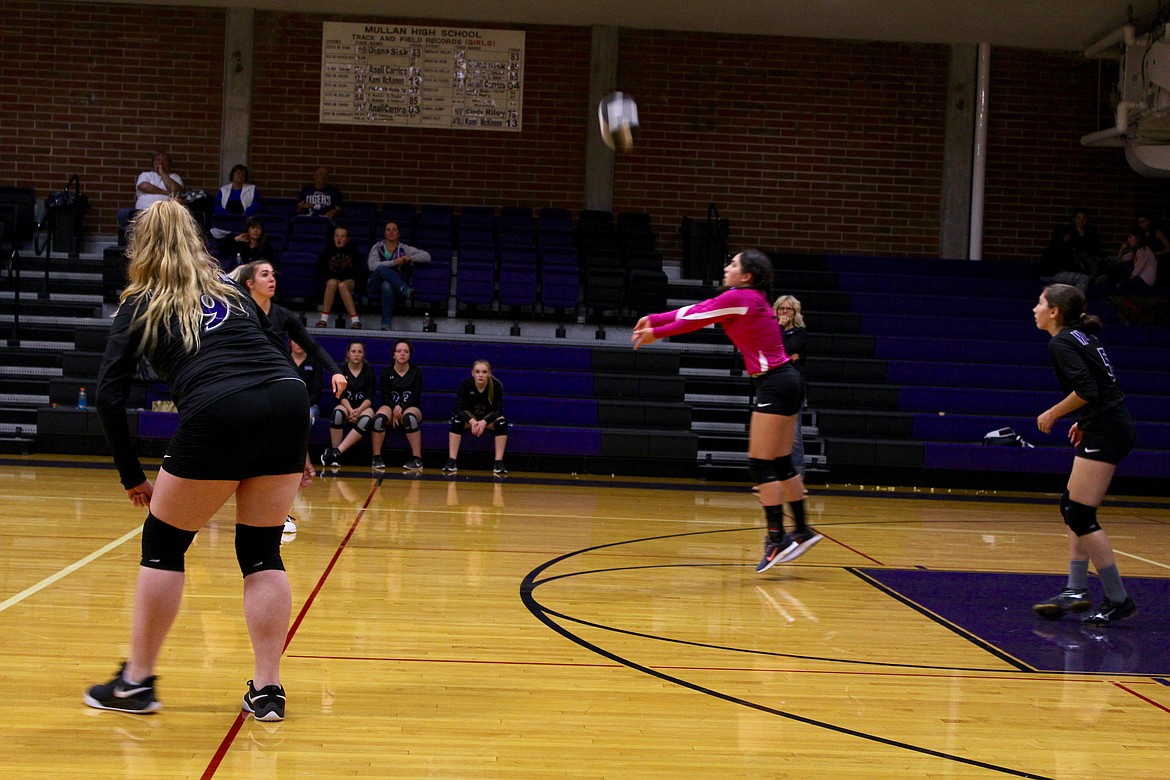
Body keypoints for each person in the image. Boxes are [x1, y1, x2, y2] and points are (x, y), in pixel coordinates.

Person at [85, 199, 304, 721]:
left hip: (222, 408)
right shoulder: (232, 288)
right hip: (289, 400)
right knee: (261, 550)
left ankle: (136, 682)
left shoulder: (140, 302)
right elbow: (268, 351)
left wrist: (131, 476)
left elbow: (107, 397)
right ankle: (268, 690)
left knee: (163, 544)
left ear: (140, 246)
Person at [632, 249, 820, 573]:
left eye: (732, 264)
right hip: (786, 382)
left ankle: (778, 539)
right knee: (780, 460)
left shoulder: (742, 297)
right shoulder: (753, 298)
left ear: (746, 275)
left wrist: (657, 330)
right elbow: (701, 310)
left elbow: (696, 316)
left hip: (775, 383)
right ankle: (801, 529)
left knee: (760, 464)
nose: (726, 267)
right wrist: (656, 320)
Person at [1031, 283, 1137, 627]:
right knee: (1070, 506)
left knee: (1080, 513)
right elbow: (1105, 388)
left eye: (1040, 303)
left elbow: (1088, 389)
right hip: (1105, 424)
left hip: (1108, 430)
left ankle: (1118, 598)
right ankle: (1075, 589)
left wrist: (1054, 413)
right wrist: (1085, 420)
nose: (1035, 309)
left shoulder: (1061, 341)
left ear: (1055, 311)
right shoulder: (1080, 337)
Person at [232, 260, 348, 530]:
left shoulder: (282, 315)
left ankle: (277, 508)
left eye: (274, 274)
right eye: (264, 275)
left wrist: (335, 370)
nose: (272, 279)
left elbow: (312, 345)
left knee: (276, 446)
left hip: (273, 385)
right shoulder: (236, 312)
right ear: (250, 283)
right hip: (241, 385)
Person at [443, 359, 508, 476]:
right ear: (472, 373)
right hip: (471, 416)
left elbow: (498, 411)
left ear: (489, 373)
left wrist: (484, 422)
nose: (481, 375)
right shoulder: (466, 384)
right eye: (477, 372)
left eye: (484, 372)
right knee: (456, 421)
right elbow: (459, 408)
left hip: (488, 418)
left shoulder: (496, 386)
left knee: (502, 423)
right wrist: (472, 421)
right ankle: (452, 461)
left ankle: (498, 462)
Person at [320, 340, 377, 467]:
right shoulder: (341, 370)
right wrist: (351, 410)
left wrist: (359, 410)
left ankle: (337, 452)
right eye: (353, 351)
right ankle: (335, 454)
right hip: (347, 405)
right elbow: (341, 395)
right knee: (337, 414)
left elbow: (370, 396)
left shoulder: (369, 371)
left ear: (363, 354)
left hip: (364, 407)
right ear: (348, 354)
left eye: (359, 352)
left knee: (367, 419)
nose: (356, 354)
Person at [371, 339, 425, 471]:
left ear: (410, 355)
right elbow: (386, 395)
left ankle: (417, 459)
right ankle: (376, 457)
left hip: (412, 406)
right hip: (391, 407)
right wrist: (395, 408)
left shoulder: (416, 372)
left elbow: (415, 396)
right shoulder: (386, 372)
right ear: (393, 355)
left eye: (406, 351)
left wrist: (401, 409)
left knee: (409, 418)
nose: (402, 354)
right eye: (399, 351)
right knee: (379, 419)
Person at [366, 221, 430, 330]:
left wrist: (410, 258)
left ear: (399, 234)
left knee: (386, 285)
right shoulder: (377, 247)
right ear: (385, 234)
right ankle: (404, 289)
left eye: (394, 229)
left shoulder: (404, 248)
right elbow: (371, 266)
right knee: (381, 268)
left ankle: (385, 322)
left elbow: (427, 256)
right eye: (388, 229)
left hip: (392, 288)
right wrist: (394, 262)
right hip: (374, 285)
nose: (391, 232)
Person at [774, 294, 808, 477]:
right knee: (773, 433)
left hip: (793, 389)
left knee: (793, 434)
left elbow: (783, 349)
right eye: (781, 308)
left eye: (788, 309)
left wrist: (779, 327)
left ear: (795, 312)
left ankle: (797, 476)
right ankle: (773, 477)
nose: (784, 312)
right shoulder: (773, 331)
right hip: (773, 387)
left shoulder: (800, 333)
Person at [117, 152, 184, 229]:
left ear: (169, 163)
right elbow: (144, 186)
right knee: (123, 213)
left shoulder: (175, 177)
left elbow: (174, 189)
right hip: (142, 212)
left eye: (164, 160)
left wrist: (162, 173)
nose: (161, 162)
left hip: (164, 214)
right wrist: (167, 193)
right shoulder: (146, 175)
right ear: (154, 162)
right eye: (158, 160)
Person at [315, 224, 363, 329]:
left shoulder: (353, 249)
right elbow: (322, 271)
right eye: (337, 236)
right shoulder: (327, 249)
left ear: (347, 239)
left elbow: (358, 271)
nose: (339, 238)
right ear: (333, 237)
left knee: (342, 285)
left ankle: (355, 321)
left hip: (349, 280)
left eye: (342, 236)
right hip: (332, 280)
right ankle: (323, 320)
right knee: (332, 282)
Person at [1114, 230, 1158, 295]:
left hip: (1145, 280)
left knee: (1120, 285)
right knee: (1120, 265)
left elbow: (1138, 268)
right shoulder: (1135, 250)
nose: (1129, 239)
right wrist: (1122, 249)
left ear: (1137, 239)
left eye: (1131, 237)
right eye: (1128, 237)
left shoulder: (1143, 250)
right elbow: (1120, 259)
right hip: (1138, 275)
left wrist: (1130, 279)